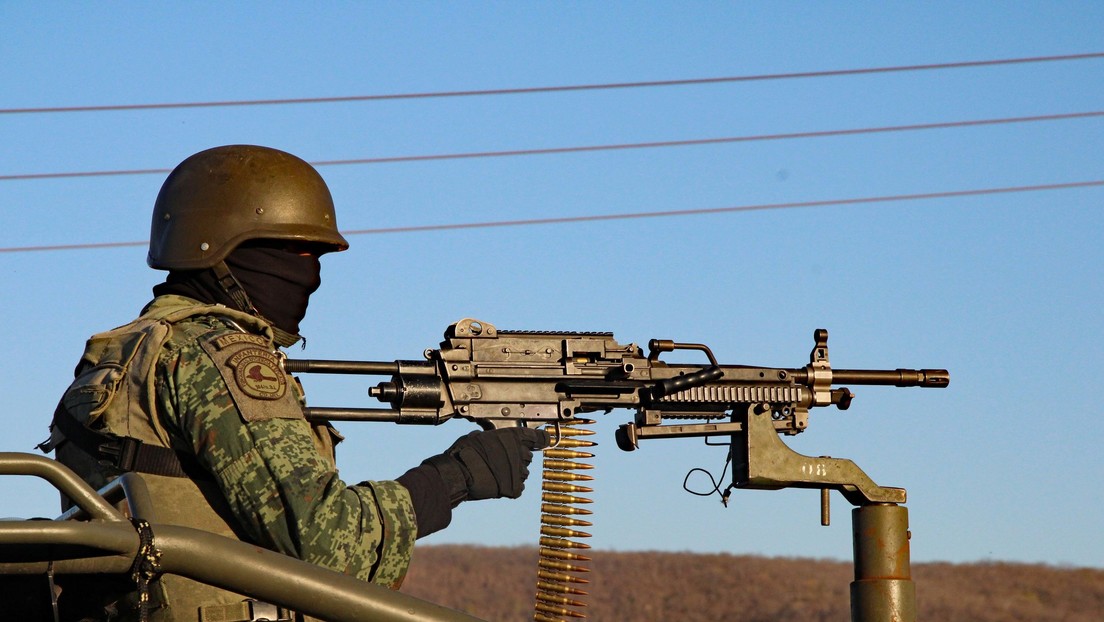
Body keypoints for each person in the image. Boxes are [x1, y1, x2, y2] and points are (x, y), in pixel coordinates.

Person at [43, 144, 549, 621]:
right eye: (294, 252)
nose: (310, 275)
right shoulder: (218, 357)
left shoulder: (119, 355)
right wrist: (452, 478)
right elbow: (329, 547)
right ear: (221, 247)